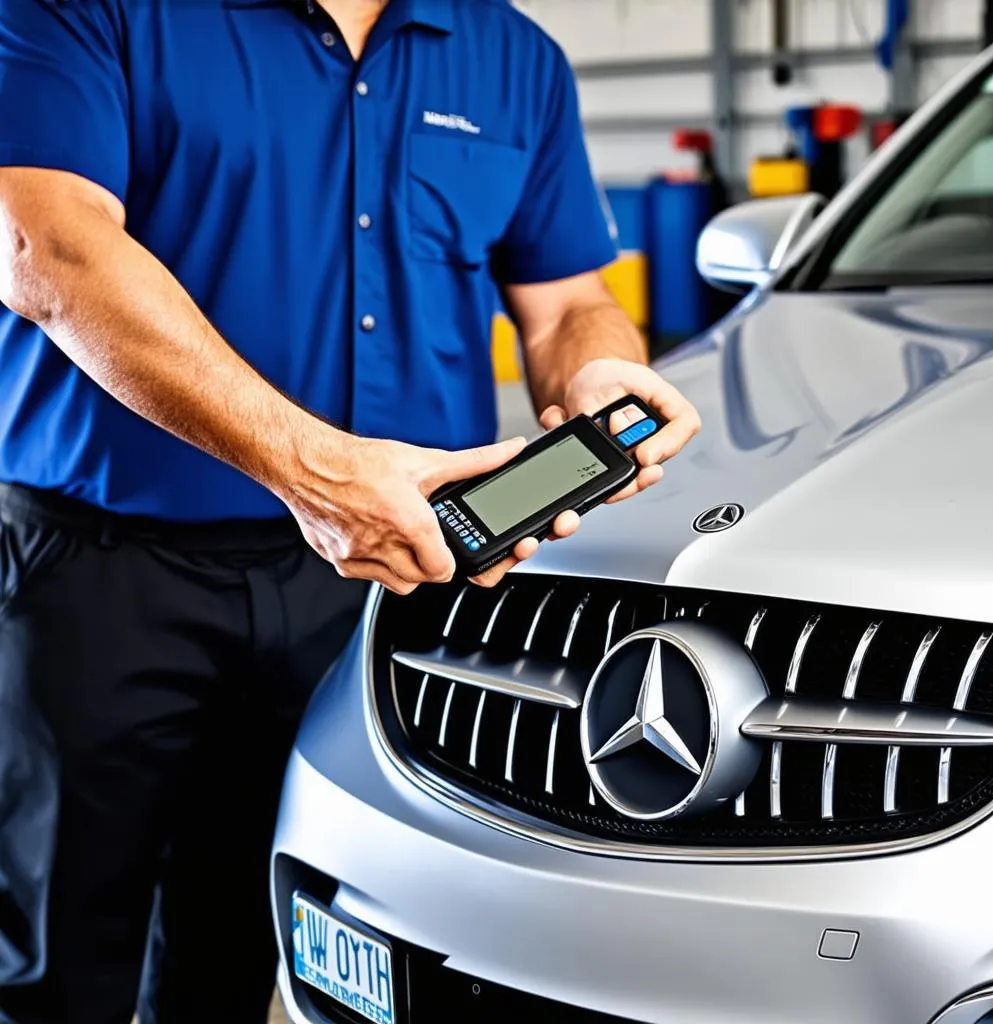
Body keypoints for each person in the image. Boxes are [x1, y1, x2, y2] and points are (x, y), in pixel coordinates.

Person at [0, 1, 701, 1021]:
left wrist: (599, 371)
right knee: (58, 966)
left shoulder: (512, 55)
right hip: (105, 576)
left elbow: (563, 299)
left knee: (248, 946)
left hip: (375, 587)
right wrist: (312, 471)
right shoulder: (86, 9)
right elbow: (48, 249)